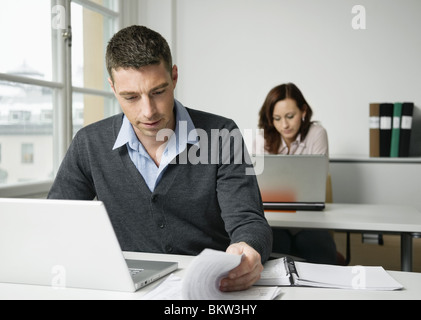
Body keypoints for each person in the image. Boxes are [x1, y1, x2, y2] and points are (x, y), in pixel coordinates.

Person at [48, 25, 272, 292]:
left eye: (158, 92)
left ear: (174, 76)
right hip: (125, 289)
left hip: (209, 288)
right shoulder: (89, 143)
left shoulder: (222, 134)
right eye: (130, 97)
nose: (148, 111)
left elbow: (249, 220)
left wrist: (247, 248)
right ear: (112, 87)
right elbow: (55, 221)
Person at [257, 82, 337, 265]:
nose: (284, 124)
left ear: (303, 111)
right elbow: (255, 184)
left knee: (317, 249)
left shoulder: (316, 133)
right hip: (274, 218)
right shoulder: (261, 138)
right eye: (276, 118)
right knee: (272, 249)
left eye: (290, 116)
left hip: (309, 219)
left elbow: (318, 179)